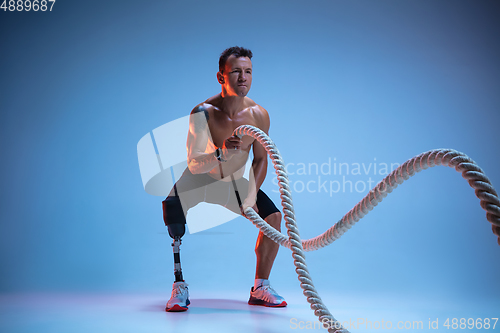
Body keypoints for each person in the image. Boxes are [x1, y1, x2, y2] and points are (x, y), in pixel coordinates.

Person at [162, 46, 286, 312]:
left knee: (273, 218)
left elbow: (261, 159)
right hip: (198, 179)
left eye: (248, 71)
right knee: (172, 207)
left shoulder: (259, 115)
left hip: (230, 183)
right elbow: (194, 164)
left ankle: (260, 286)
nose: (243, 77)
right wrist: (220, 153)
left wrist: (251, 193)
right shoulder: (203, 112)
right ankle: (179, 285)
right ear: (221, 77)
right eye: (236, 72)